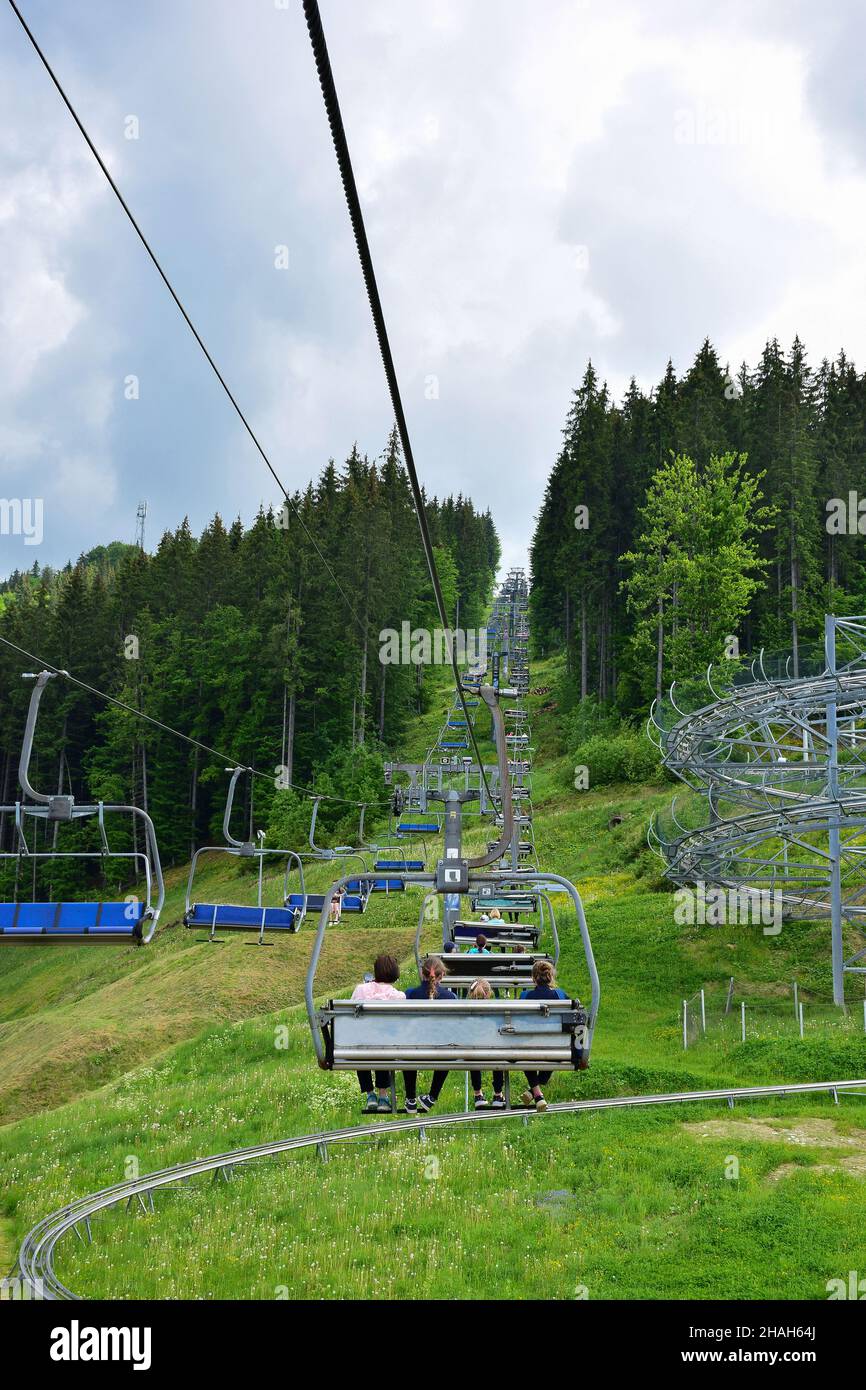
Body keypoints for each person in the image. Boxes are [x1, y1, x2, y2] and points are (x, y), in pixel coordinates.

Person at [351, 955, 405, 1113]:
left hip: (360, 1046)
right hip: (386, 1046)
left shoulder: (360, 990)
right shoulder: (398, 996)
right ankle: (383, 1095)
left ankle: (370, 1095)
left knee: (360, 1043)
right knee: (383, 1043)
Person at [402, 956, 456, 1113]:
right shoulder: (450, 997)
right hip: (440, 1050)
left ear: (422, 973)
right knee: (448, 1048)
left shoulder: (410, 994)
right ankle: (432, 1096)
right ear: (442, 975)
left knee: (408, 1047)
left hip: (415, 1048)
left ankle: (410, 1098)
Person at [520, 958, 568, 1112]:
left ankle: (535, 1092)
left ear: (533, 978)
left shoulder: (525, 996)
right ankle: (537, 1094)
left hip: (529, 1044)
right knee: (556, 1048)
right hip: (555, 1046)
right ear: (550, 976)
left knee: (524, 1052)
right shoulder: (560, 995)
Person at [467, 978, 505, 1109]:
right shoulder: (496, 1010)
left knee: (472, 1052)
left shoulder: (466, 1011)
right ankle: (498, 1094)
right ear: (489, 994)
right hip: (493, 1051)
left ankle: (477, 1093)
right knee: (499, 1053)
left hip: (472, 1052)